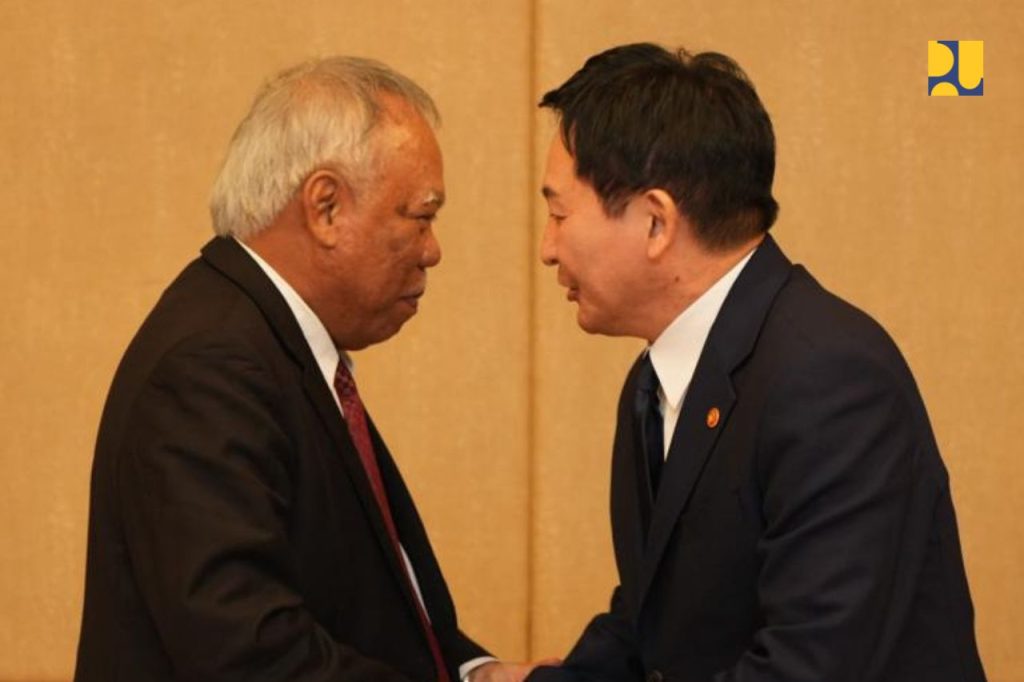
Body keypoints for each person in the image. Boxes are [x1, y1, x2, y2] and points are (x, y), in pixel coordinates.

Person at [529, 43, 987, 682]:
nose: (547, 249)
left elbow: (811, 664)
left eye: (558, 214)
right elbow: (652, 625)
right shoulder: (654, 380)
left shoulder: (829, 378)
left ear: (656, 222)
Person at [75, 57, 534, 682]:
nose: (433, 251)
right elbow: (247, 653)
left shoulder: (268, 343)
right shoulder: (211, 366)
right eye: (421, 216)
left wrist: (474, 672)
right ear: (326, 207)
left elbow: (359, 605)